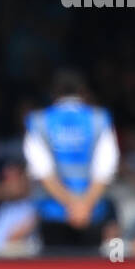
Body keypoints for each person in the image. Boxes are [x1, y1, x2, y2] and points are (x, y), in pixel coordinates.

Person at [23, 70, 119, 251]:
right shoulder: (100, 120)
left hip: (53, 215)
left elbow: (43, 173)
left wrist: (71, 205)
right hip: (91, 214)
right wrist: (83, 207)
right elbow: (105, 170)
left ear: (53, 93)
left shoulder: (38, 121)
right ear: (83, 92)